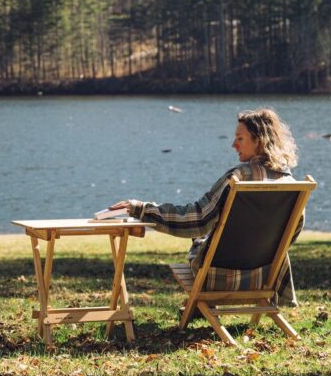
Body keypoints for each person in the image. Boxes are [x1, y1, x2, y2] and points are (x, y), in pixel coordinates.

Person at [110, 107, 304, 306]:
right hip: (265, 276)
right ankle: (200, 309)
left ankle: (201, 306)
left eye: (240, 138)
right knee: (206, 237)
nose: (233, 144)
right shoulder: (292, 183)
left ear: (259, 140)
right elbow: (292, 233)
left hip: (219, 279)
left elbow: (197, 219)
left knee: (200, 237)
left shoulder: (239, 177)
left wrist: (142, 209)